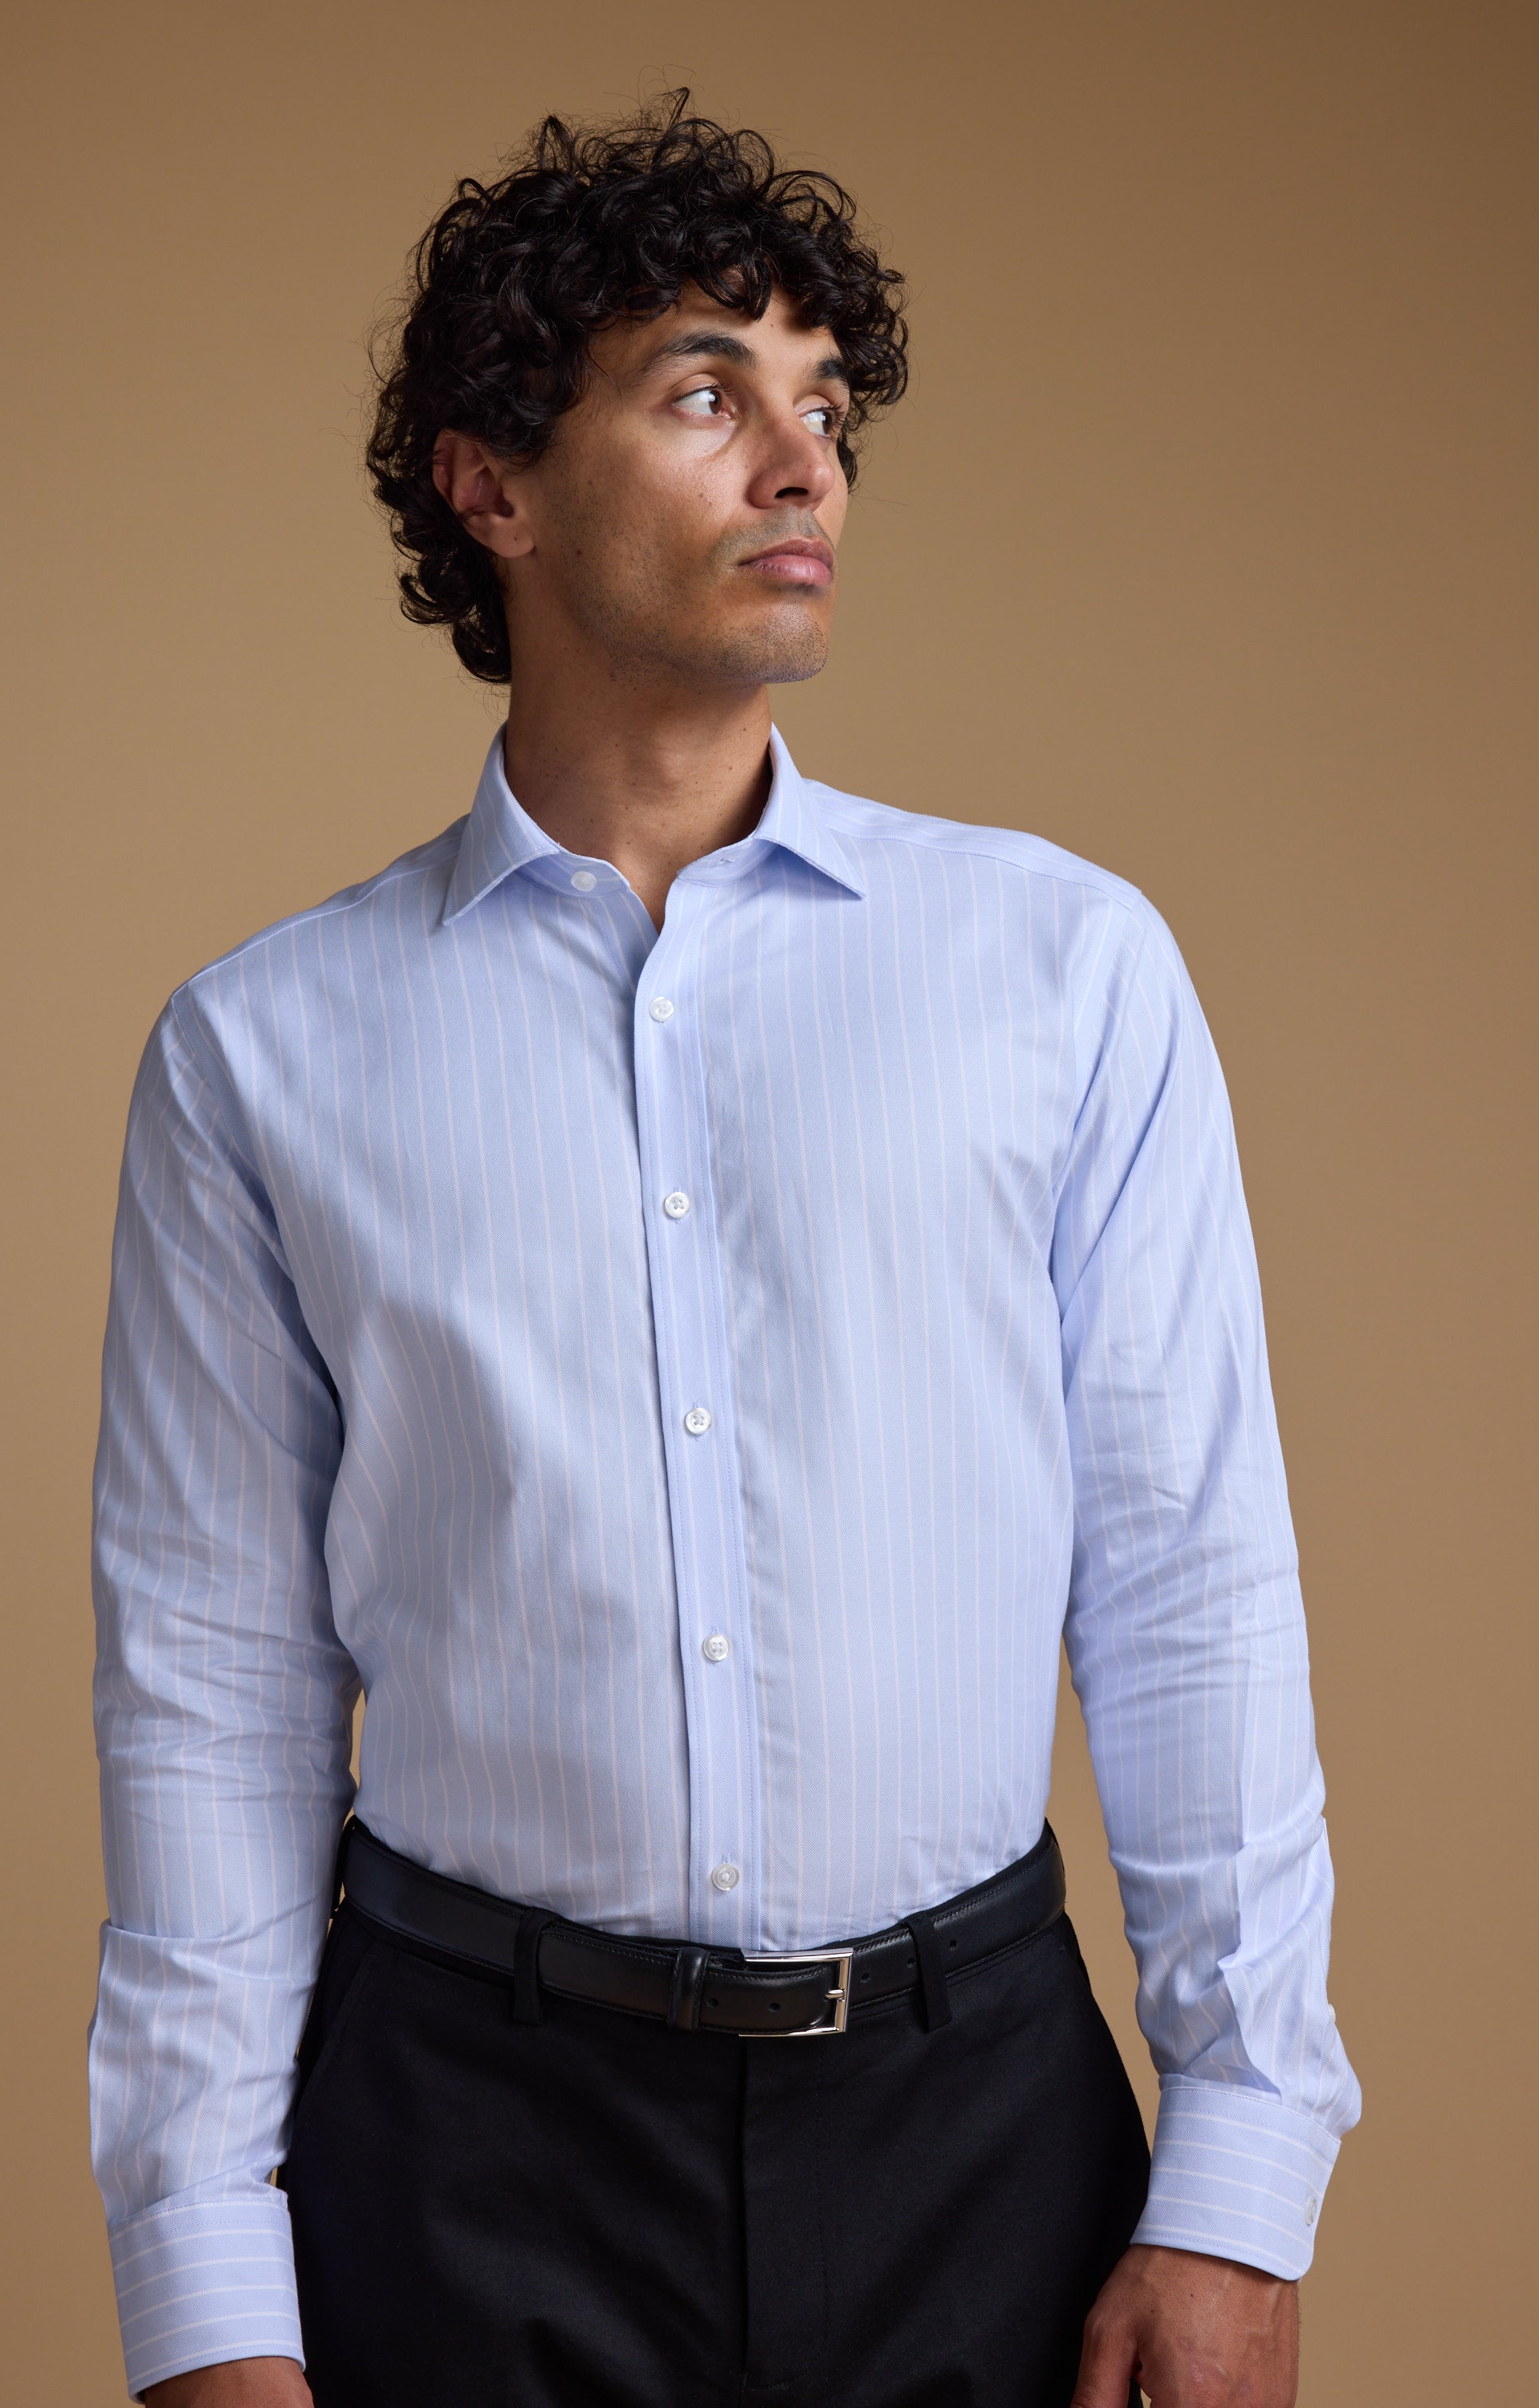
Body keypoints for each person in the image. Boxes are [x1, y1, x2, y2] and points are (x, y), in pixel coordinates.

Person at [89, 95, 1358, 2408]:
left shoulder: (1062, 971)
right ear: (490, 479)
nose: (801, 469)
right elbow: (209, 1684)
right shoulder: (261, 1055)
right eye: (704, 396)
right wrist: (204, 2293)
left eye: (826, 410)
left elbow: (1186, 1574)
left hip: (976, 2131)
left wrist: (1238, 2179)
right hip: (458, 2147)